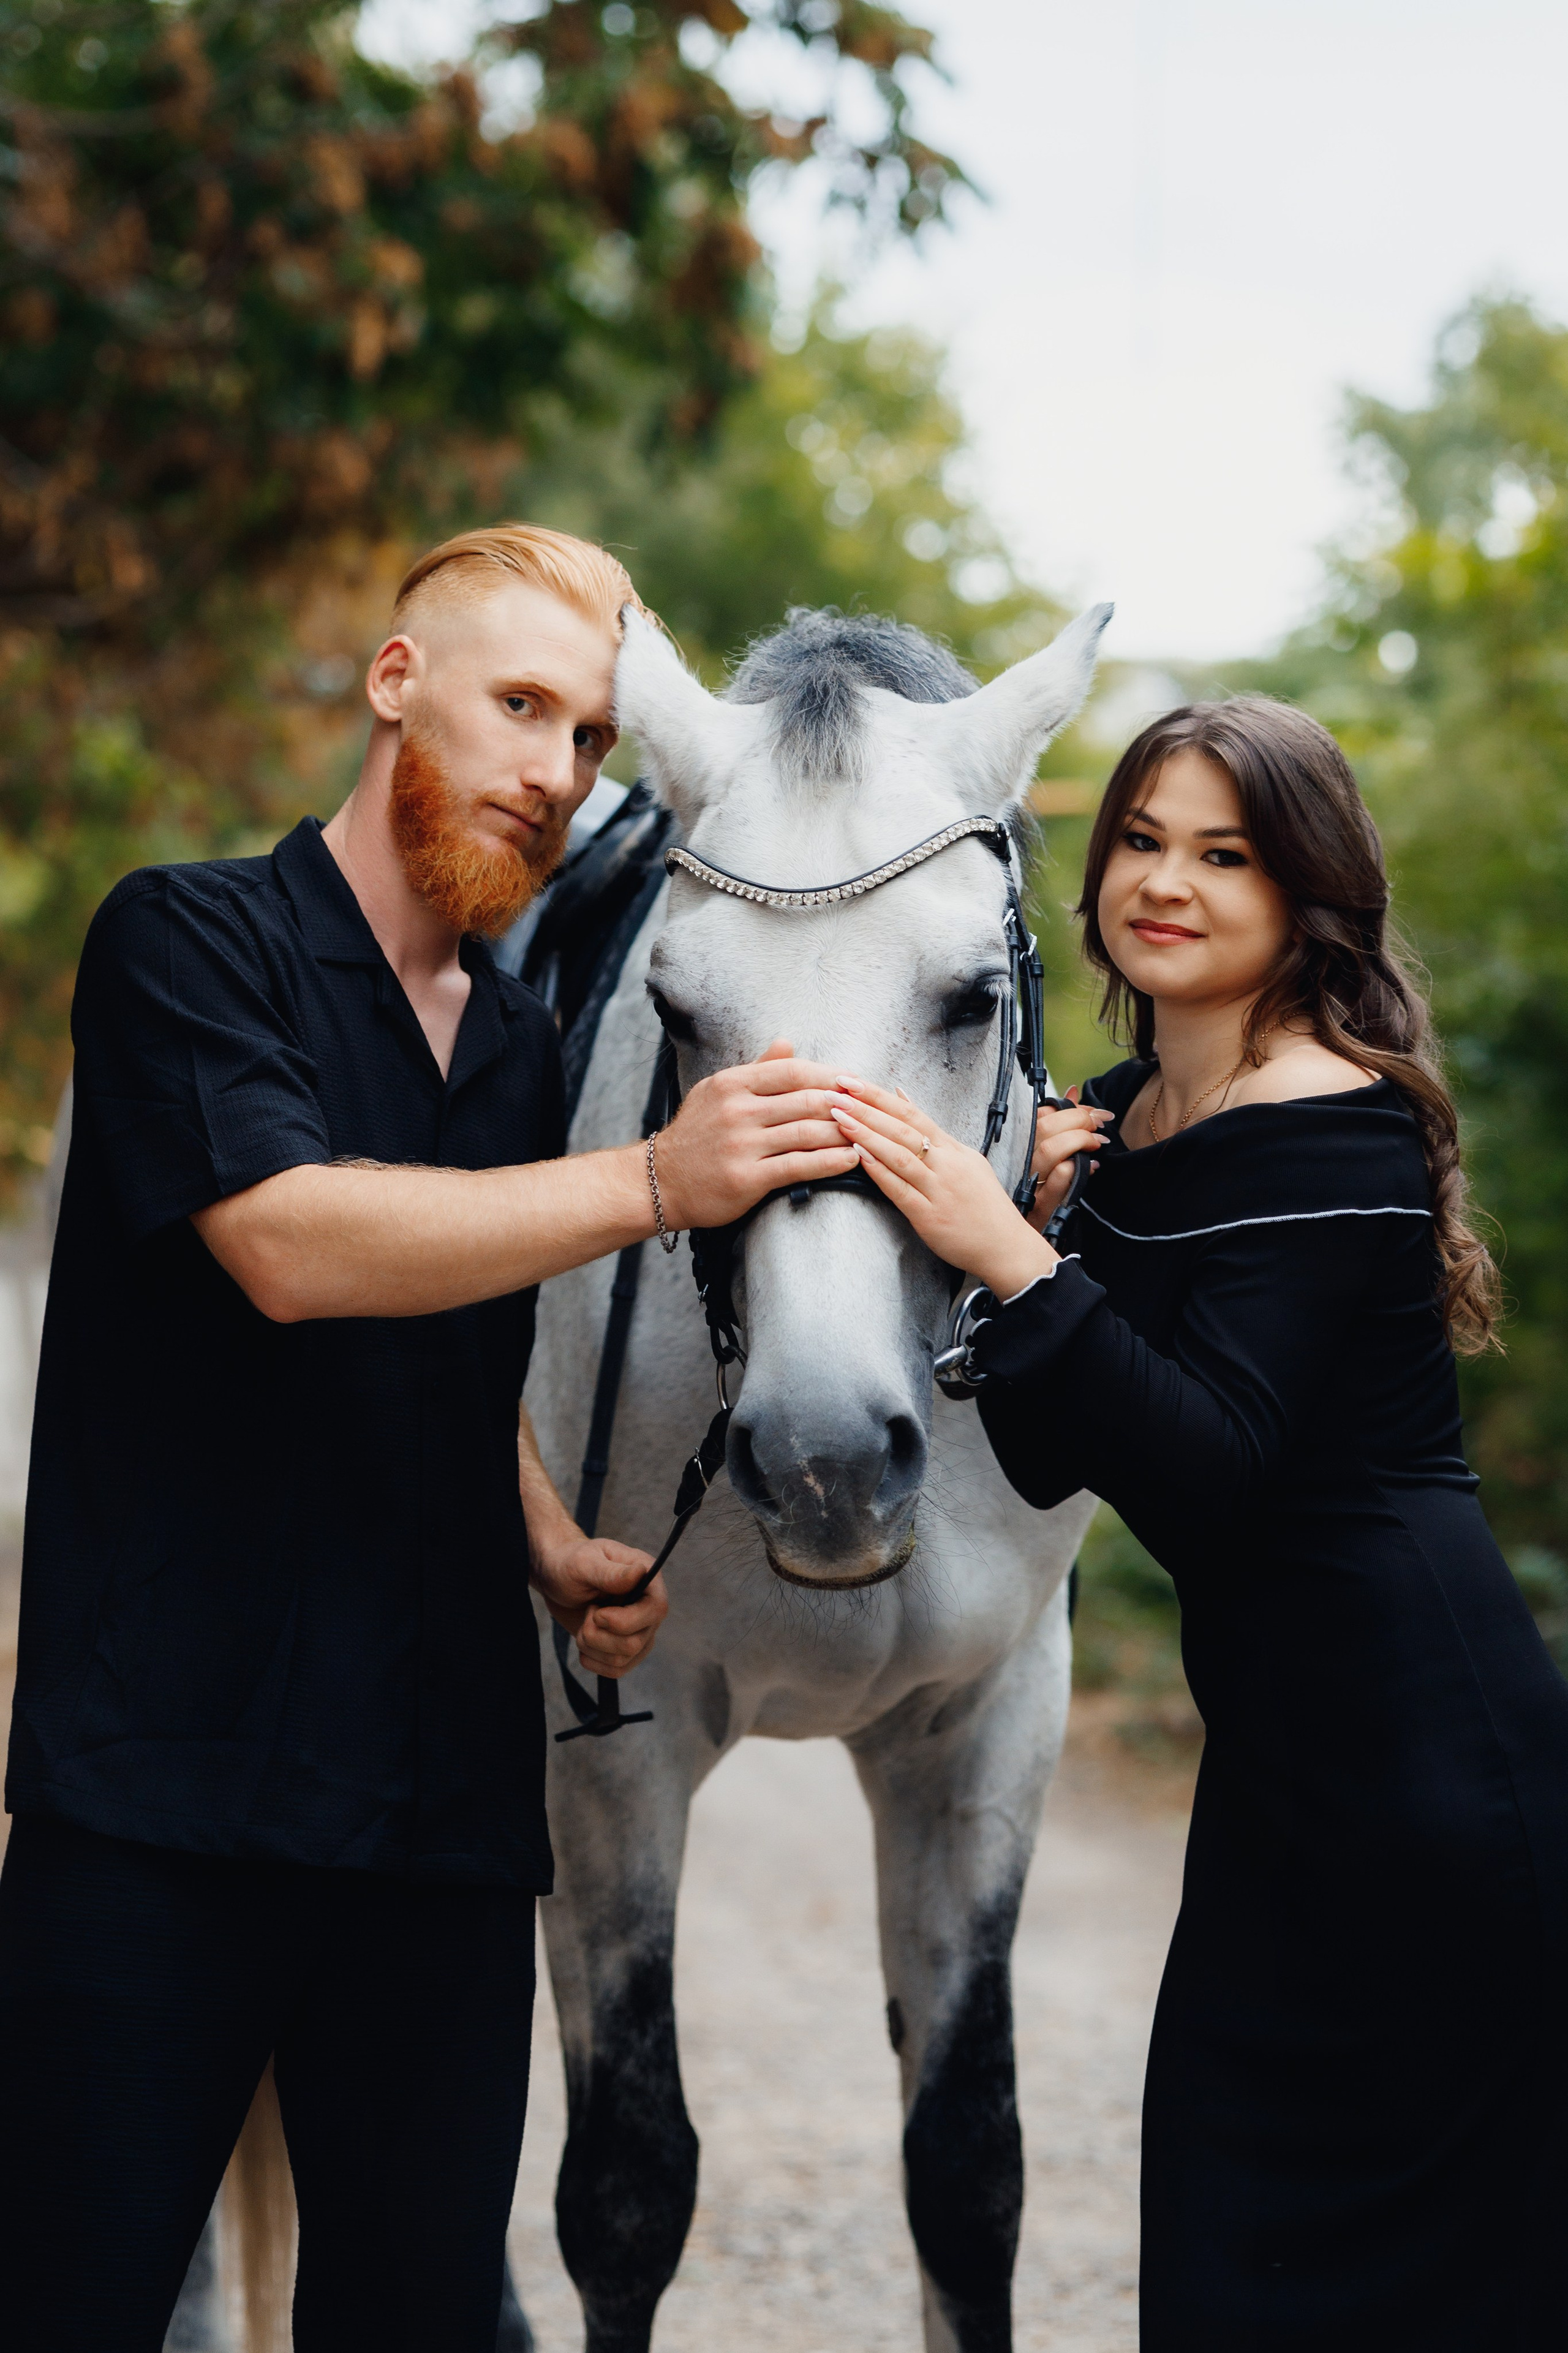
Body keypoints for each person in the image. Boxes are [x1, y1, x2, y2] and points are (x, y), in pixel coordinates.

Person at [0, 524, 859, 2351]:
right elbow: (298, 1248)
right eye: (522, 705)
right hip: (168, 1802)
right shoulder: (184, 937)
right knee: (68, 2302)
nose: (554, 771)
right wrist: (647, 1179)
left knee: (416, 2323)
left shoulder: (530, 1046)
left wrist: (542, 1530)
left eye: (592, 740)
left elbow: (455, 1347)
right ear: (398, 684)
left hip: (440, 1824)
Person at [825, 697, 1568, 2351]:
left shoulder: (1337, 1127)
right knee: (1229, 2266)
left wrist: (1016, 1261)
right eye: (1142, 842)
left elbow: (1214, 1465)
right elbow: (1040, 1459)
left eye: (1225, 853)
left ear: (1307, 893)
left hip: (1430, 1783)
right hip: (1281, 1798)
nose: (1167, 881)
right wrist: (1018, 1230)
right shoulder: (1122, 1121)